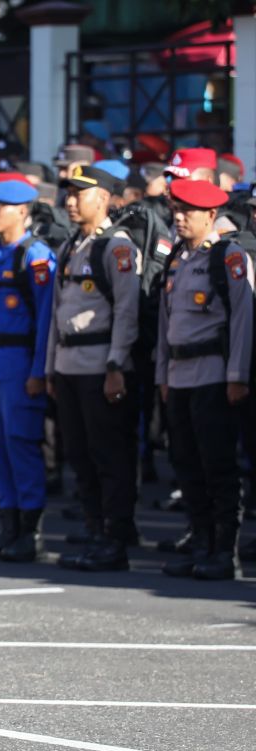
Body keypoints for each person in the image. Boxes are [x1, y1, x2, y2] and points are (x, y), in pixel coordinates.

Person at [157, 179, 253, 581]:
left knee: (217, 467)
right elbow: (166, 323)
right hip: (179, 375)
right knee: (187, 464)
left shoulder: (227, 257)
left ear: (211, 215)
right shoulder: (177, 257)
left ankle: (222, 551)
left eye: (188, 212)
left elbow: (244, 319)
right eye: (176, 210)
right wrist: (162, 372)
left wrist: (238, 375)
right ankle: (200, 543)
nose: (179, 218)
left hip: (213, 374)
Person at [48, 165, 141, 571]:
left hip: (100, 364)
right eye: (67, 194)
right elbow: (57, 312)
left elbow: (126, 311)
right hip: (69, 365)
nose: (69, 202)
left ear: (101, 199)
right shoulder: (72, 246)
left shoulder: (116, 247)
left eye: (78, 194)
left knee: (109, 456)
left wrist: (117, 364)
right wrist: (52, 364)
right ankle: (94, 530)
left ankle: (114, 540)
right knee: (80, 456)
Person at [0, 180, 56, 562]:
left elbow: (45, 321)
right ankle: (8, 528)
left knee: (20, 445)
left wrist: (40, 370)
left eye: (0, 207)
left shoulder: (34, 257)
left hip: (20, 364)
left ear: (22, 211)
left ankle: (30, 531)